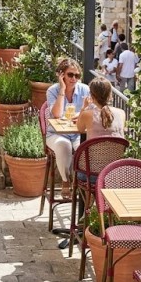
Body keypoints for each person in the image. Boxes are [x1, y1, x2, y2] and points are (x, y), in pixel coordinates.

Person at [46, 57, 90, 200]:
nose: (74, 79)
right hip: (56, 133)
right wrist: (62, 90)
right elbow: (57, 114)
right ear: (61, 75)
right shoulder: (53, 90)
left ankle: (82, 183)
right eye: (70, 75)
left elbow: (90, 111)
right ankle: (65, 180)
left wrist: (80, 114)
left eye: (77, 75)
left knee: (84, 149)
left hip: (77, 133)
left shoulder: (85, 89)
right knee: (63, 145)